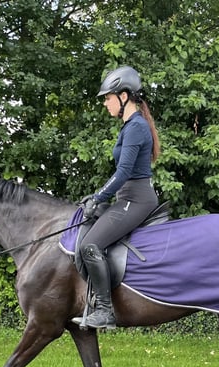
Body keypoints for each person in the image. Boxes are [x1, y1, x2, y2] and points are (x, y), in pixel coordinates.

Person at [74, 65, 161, 329]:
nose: (105, 103)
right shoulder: (130, 127)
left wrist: (99, 197)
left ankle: (104, 311)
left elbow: (123, 172)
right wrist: (97, 196)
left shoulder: (136, 127)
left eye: (107, 97)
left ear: (124, 96)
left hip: (137, 200)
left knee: (90, 246)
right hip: (127, 198)